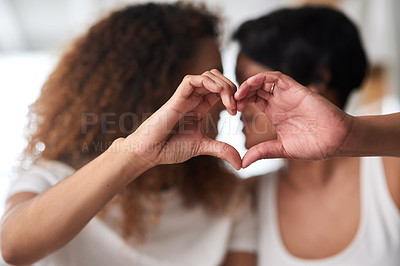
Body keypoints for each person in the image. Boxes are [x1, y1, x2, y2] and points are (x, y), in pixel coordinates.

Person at [0, 3, 256, 265]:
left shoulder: (224, 197)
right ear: (159, 89)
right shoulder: (52, 178)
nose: (229, 100)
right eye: (212, 82)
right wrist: (136, 154)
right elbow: (12, 248)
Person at [234, 6, 400, 265]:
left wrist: (352, 133)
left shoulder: (390, 176)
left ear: (317, 78)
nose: (235, 104)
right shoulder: (248, 198)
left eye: (249, 84)